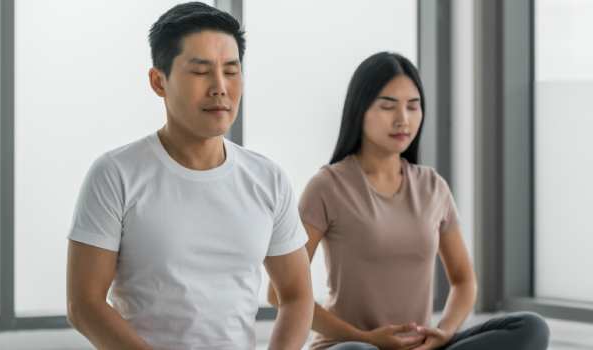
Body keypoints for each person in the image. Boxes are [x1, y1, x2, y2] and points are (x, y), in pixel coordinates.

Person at [65, 3, 313, 349]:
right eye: (200, 72)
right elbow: (84, 304)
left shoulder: (267, 178)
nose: (220, 87)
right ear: (159, 82)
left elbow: (297, 295)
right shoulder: (115, 174)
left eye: (231, 71)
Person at [270, 52, 550, 350]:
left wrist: (442, 333)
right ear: (359, 110)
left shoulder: (432, 186)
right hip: (352, 346)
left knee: (530, 327)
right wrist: (366, 338)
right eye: (388, 106)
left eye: (413, 107)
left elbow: (464, 281)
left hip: (418, 347)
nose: (403, 119)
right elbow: (278, 293)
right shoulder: (327, 186)